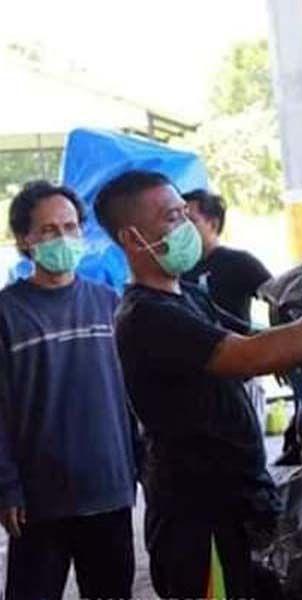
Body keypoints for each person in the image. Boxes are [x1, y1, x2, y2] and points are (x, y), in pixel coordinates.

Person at [94, 170, 302, 598]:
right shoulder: (147, 317)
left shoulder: (186, 297)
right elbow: (249, 357)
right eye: (172, 218)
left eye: (185, 214)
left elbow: (252, 343)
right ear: (134, 239)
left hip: (239, 501)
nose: (187, 226)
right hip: (199, 519)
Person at [0, 181, 136, 599]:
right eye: (48, 230)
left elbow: (132, 396)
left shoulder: (109, 303)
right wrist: (6, 486)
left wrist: (142, 466)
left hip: (109, 490)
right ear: (25, 239)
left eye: (71, 227)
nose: (63, 238)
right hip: (40, 503)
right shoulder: (7, 313)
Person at [182, 189, 271, 323]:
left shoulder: (239, 262)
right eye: (177, 222)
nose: (181, 229)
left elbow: (278, 297)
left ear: (213, 224)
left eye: (191, 222)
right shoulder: (175, 267)